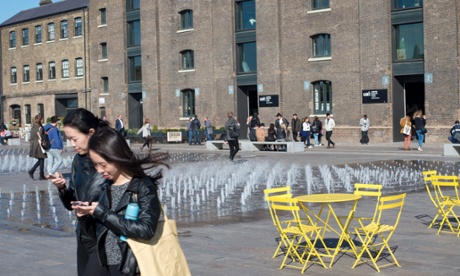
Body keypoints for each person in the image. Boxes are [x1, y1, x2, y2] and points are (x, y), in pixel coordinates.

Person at [72, 127, 168, 275]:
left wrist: (102, 213)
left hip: (127, 263)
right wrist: (84, 217)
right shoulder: (106, 186)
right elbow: (97, 233)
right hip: (102, 259)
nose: (99, 170)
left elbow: (146, 229)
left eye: (103, 165)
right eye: (95, 165)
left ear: (116, 157)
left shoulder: (142, 186)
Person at [50, 108, 109, 276]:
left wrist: (97, 210)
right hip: (84, 234)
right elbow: (72, 204)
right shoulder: (78, 160)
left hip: (105, 238)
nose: (72, 145)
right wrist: (62, 188)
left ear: (91, 132)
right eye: (69, 139)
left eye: (74, 139)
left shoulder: (111, 160)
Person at [28, 115, 47, 180]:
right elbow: (40, 136)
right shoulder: (40, 127)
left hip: (33, 144)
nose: (43, 120)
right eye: (42, 119)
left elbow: (31, 137)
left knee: (41, 159)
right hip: (39, 144)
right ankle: (33, 172)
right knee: (42, 158)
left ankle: (40, 174)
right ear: (40, 120)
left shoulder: (33, 127)